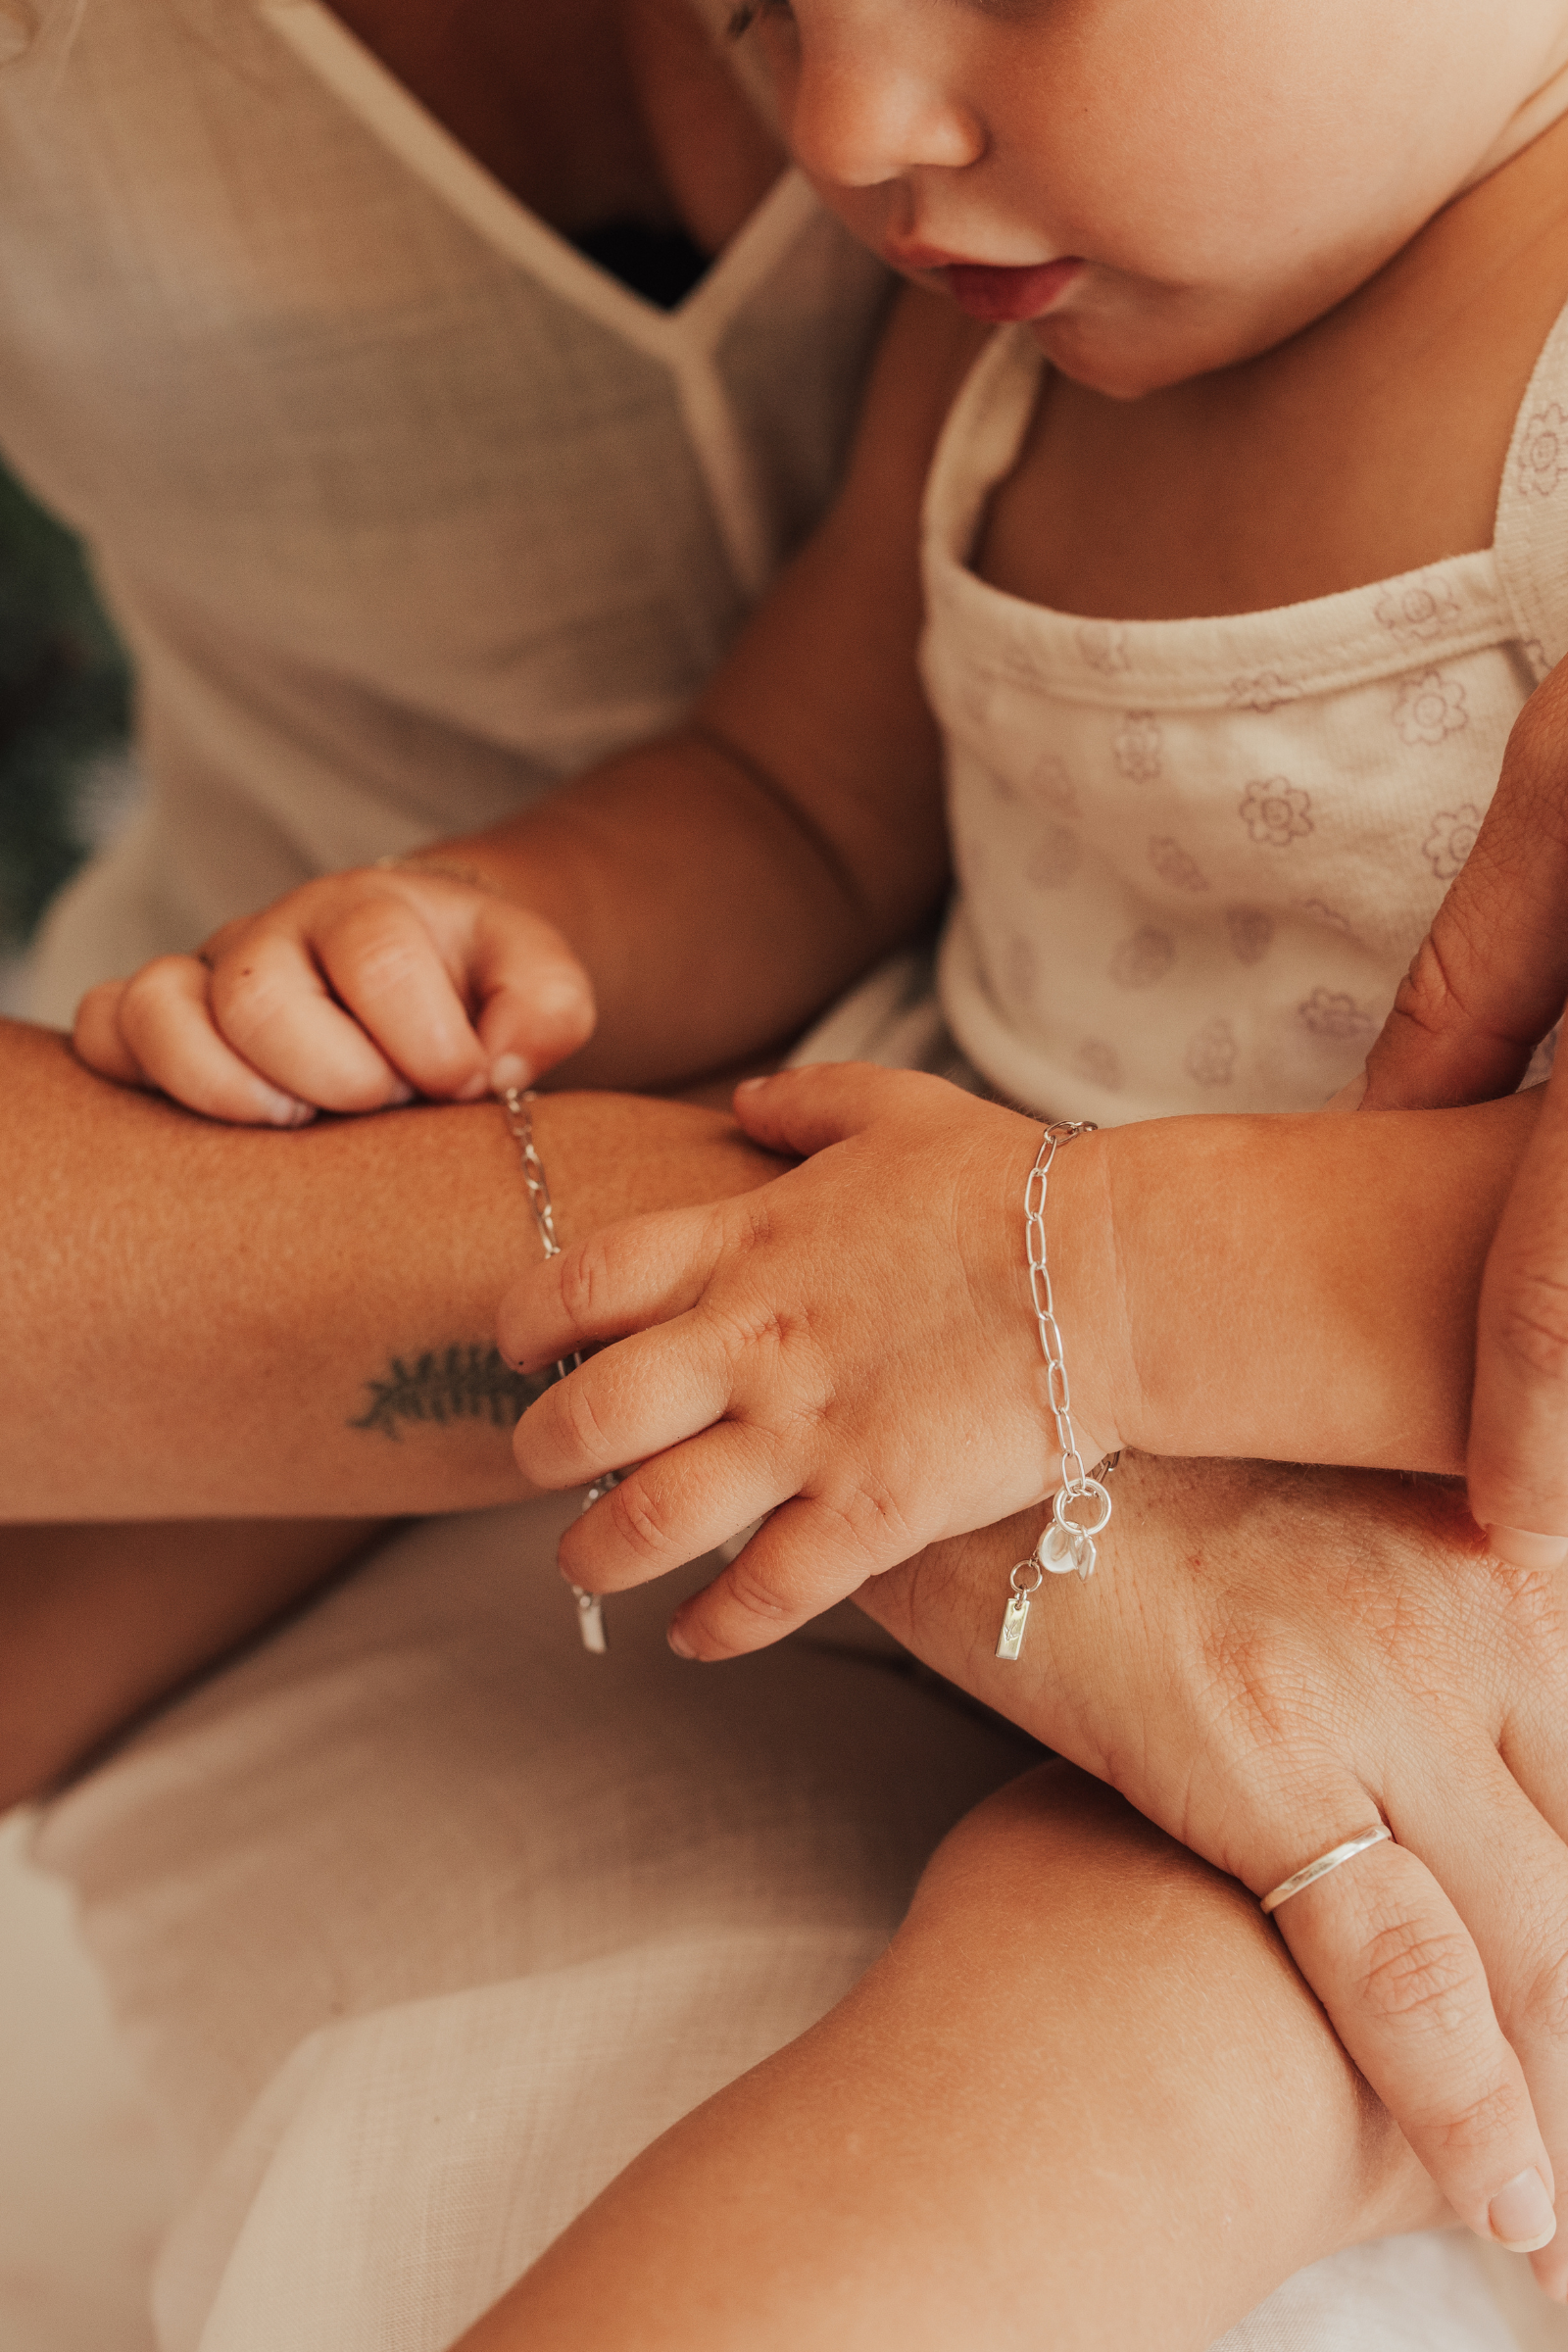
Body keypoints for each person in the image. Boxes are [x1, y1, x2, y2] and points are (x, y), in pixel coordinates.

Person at [13, 0, 1568, 2346]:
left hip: (1468, 1587)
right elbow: (801, 800)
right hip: (979, 1409)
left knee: (1054, 2077)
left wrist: (1067, 1288)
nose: (849, 127)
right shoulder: (1009, 360)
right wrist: (505, 928)